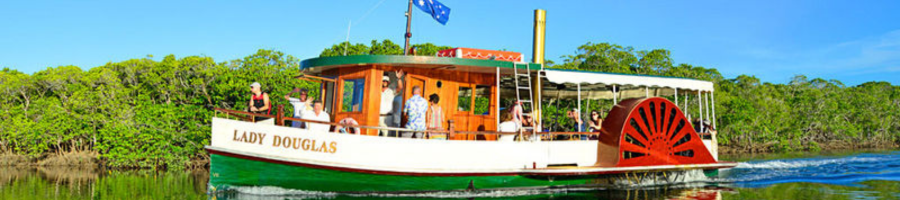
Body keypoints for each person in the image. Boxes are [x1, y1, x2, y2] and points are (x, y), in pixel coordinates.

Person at [379, 70, 404, 136]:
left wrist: (398, 78)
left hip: (388, 117)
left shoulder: (391, 91)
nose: (384, 82)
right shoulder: (376, 91)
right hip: (377, 116)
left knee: (386, 135)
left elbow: (400, 87)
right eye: (383, 81)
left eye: (386, 81)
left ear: (388, 82)